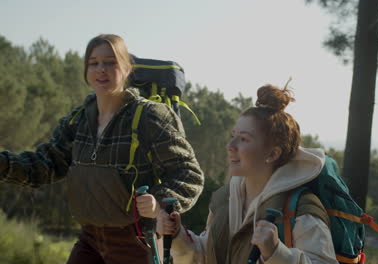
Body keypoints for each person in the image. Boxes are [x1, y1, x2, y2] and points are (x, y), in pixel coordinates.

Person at [0, 34, 204, 264]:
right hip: (89, 240)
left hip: (136, 244)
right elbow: (43, 166)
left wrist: (159, 203)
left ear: (127, 69)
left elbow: (189, 174)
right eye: (94, 63)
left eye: (110, 62)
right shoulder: (77, 121)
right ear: (86, 71)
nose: (101, 69)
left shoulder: (149, 118)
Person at [157, 84, 338, 263]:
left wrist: (276, 252)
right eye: (232, 135)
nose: (230, 146)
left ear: (273, 153)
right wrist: (178, 236)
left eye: (243, 139)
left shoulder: (300, 208)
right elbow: (207, 256)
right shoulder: (226, 199)